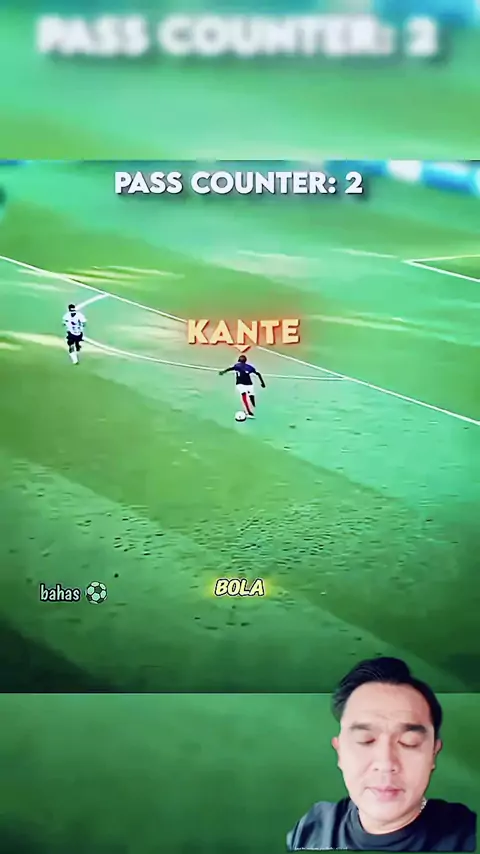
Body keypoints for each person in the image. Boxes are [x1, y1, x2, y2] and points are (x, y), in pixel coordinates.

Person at [287, 657, 476, 852]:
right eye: (365, 740)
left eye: (409, 742)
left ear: (433, 753)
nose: (386, 763)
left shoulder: (467, 838)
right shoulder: (311, 829)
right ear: (340, 752)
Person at [218, 353, 266, 418]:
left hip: (241, 384)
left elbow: (230, 369)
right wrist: (262, 383)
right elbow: (258, 374)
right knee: (250, 396)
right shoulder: (250, 367)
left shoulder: (237, 365)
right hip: (248, 384)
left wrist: (223, 372)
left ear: (239, 360)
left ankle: (249, 411)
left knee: (245, 396)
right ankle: (251, 410)